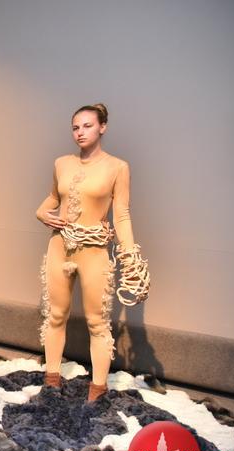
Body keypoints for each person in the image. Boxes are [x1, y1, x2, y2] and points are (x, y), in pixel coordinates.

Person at [35, 103, 147, 401]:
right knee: (55, 315)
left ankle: (97, 389)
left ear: (102, 127)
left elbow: (121, 215)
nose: (80, 132)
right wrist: (41, 213)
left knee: (97, 322)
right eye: (75, 127)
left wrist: (130, 256)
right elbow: (52, 197)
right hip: (59, 245)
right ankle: (51, 379)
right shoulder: (62, 163)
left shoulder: (117, 167)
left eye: (87, 126)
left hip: (94, 249)